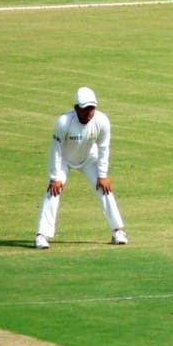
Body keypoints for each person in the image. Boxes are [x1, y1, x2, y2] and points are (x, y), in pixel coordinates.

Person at [33, 87, 127, 249]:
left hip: (89, 158)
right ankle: (41, 235)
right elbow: (55, 150)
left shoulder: (102, 121)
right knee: (53, 191)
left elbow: (104, 148)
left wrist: (102, 175)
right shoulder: (63, 122)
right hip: (64, 160)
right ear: (76, 108)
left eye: (92, 108)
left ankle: (117, 231)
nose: (89, 113)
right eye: (85, 109)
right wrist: (55, 177)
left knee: (104, 189)